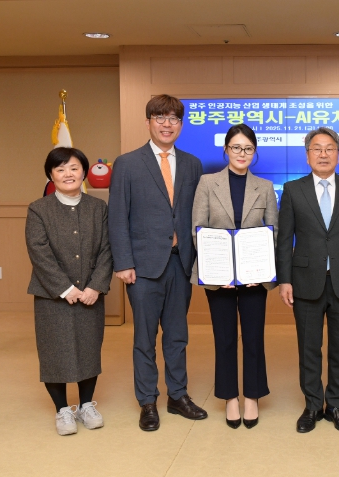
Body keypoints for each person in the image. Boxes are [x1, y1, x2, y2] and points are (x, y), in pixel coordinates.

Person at [109, 94, 206, 431]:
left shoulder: (192, 164)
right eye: (160, 117)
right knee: (144, 339)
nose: (167, 124)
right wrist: (123, 262)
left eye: (174, 118)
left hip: (181, 263)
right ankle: (147, 401)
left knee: (177, 335)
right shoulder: (127, 163)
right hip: (142, 267)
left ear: (181, 124)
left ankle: (177, 396)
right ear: (148, 121)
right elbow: (117, 217)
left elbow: (196, 215)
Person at [276, 127, 339, 434]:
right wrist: (284, 280)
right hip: (305, 280)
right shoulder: (293, 190)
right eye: (316, 149)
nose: (323, 154)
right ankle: (312, 405)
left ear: (338, 154)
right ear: (307, 155)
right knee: (309, 347)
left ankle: (337, 406)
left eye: (329, 148)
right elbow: (284, 240)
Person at [191, 124, 278, 429]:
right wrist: (218, 269)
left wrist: (261, 269)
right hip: (219, 277)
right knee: (225, 338)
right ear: (226, 149)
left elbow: (274, 232)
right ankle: (230, 397)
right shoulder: (207, 183)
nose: (242, 153)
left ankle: (252, 395)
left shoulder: (265, 187)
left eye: (248, 148)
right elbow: (197, 229)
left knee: (253, 338)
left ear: (255, 153)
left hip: (255, 277)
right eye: (236, 147)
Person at [25, 147, 113, 436]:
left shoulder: (98, 208)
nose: (68, 174)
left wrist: (96, 286)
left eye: (74, 168)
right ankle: (62, 410)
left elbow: (107, 249)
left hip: (90, 294)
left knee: (89, 349)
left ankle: (86, 405)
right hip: (52, 296)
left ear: (84, 172)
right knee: (55, 351)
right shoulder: (39, 209)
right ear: (51, 175)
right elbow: (39, 252)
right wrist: (65, 288)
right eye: (60, 169)